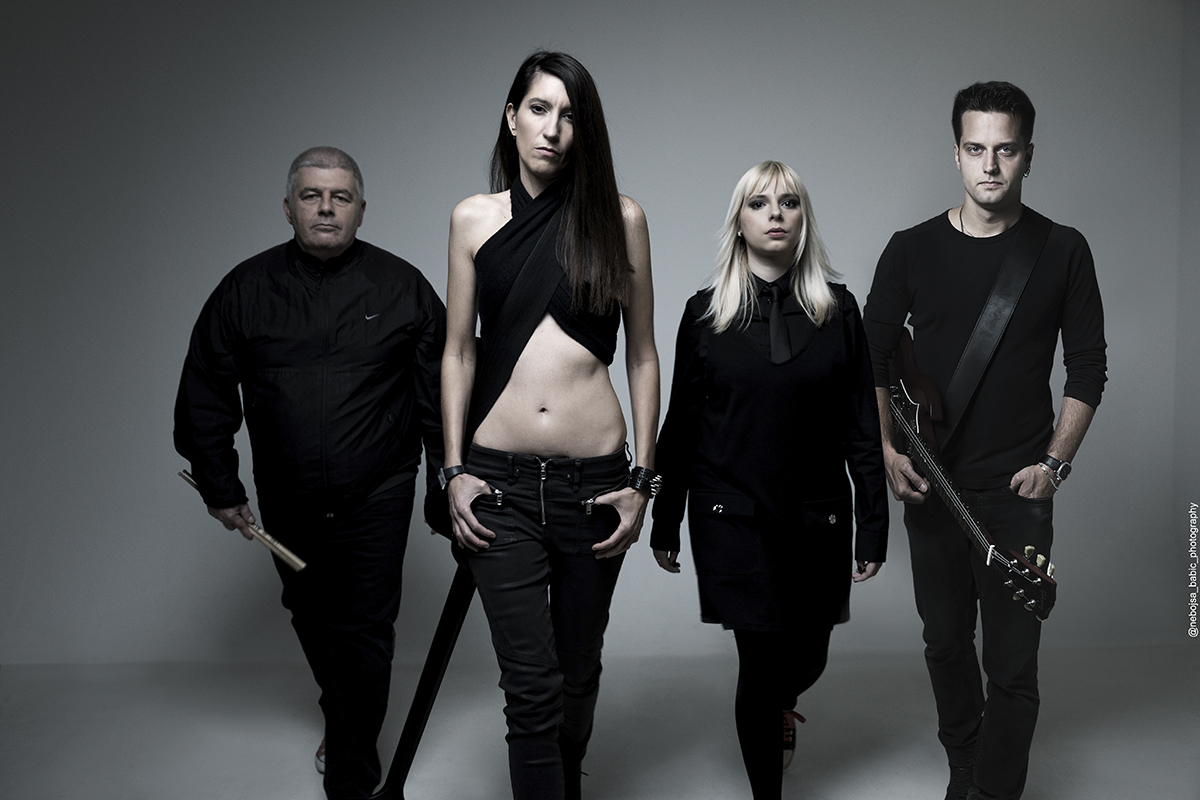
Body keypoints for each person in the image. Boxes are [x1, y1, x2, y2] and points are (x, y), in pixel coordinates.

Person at [173, 146, 448, 800]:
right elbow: (205, 391)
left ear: (360, 208)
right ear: (288, 206)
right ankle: (345, 717)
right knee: (309, 612)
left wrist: (447, 484)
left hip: (378, 492)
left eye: (340, 196)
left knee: (365, 628)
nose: (326, 208)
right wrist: (219, 484)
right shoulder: (245, 289)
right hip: (286, 494)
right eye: (312, 195)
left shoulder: (402, 287)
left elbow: (442, 397)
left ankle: (352, 776)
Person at [862, 82, 1107, 800]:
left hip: (1017, 491)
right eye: (976, 149)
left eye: (1006, 150)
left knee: (1012, 666)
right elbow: (868, 358)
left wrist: (1054, 465)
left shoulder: (1062, 250)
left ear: (1028, 155)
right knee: (944, 645)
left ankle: (997, 792)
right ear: (957, 154)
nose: (990, 165)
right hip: (932, 483)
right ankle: (963, 768)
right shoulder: (909, 250)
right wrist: (887, 452)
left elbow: (1088, 368)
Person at [441, 51, 659, 800]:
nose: (553, 128)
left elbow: (643, 356)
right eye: (538, 108)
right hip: (497, 485)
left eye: (569, 115)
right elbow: (457, 350)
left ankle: (565, 780)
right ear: (512, 117)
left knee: (576, 672)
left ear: (583, 130)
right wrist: (452, 470)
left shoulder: (621, 220)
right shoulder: (473, 218)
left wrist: (643, 481)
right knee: (530, 686)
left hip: (594, 485)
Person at [650, 161, 888, 799]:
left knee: (806, 657)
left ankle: (781, 705)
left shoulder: (839, 311)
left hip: (817, 516)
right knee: (758, 663)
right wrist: (665, 518)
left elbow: (862, 426)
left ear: (803, 219)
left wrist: (873, 525)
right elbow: (681, 426)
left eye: (788, 202)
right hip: (732, 517)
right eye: (759, 203)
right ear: (739, 222)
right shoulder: (705, 314)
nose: (775, 214)